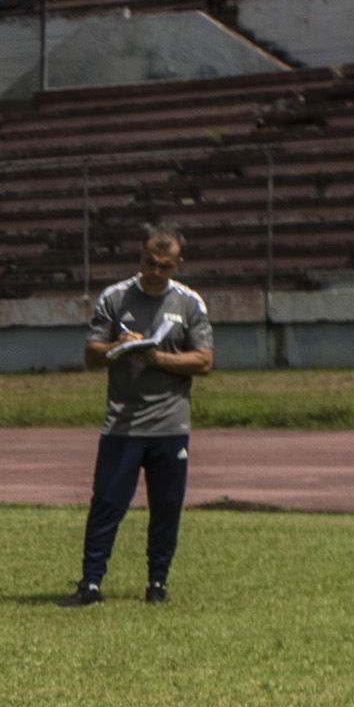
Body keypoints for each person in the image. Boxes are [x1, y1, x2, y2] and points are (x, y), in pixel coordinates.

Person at [75, 224, 216, 605]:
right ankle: (90, 583)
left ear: (177, 264)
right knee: (107, 502)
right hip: (123, 422)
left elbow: (204, 361)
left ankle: (158, 583)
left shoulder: (189, 303)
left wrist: (157, 358)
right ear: (140, 258)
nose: (156, 272)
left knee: (167, 506)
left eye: (165, 266)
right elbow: (90, 354)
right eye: (150, 263)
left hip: (170, 424)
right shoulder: (115, 298)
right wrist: (117, 347)